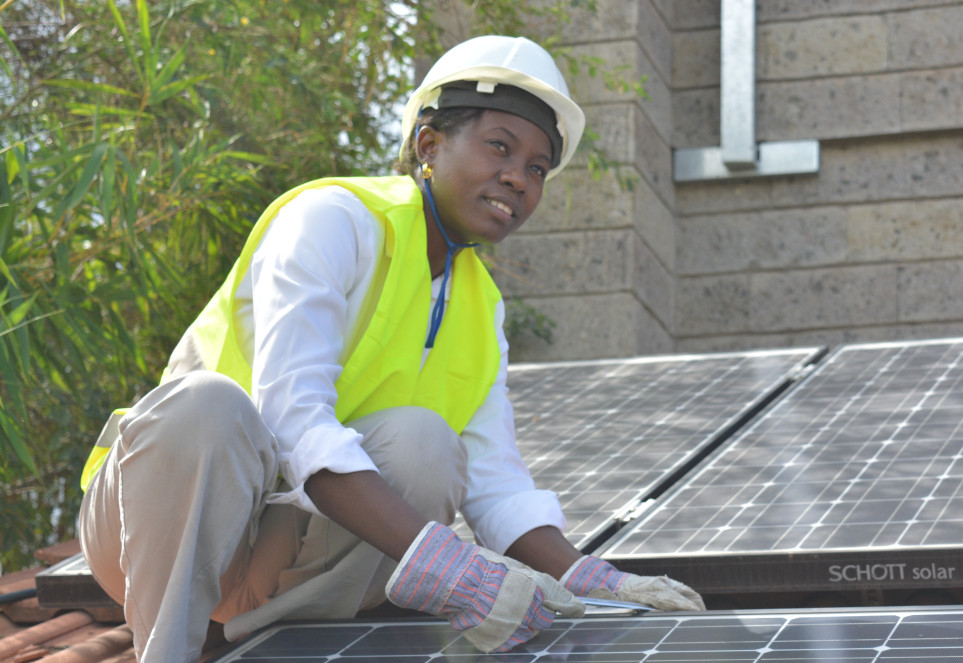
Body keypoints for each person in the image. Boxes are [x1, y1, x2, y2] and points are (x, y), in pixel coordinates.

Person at [75, 34, 704, 662]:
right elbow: (292, 418)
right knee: (207, 406)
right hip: (151, 532)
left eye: (537, 168)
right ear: (428, 146)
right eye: (500, 148)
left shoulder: (481, 310)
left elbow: (496, 485)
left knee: (428, 444)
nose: (518, 177)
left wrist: (594, 578)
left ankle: (275, 647)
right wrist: (450, 565)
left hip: (278, 559)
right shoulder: (332, 219)